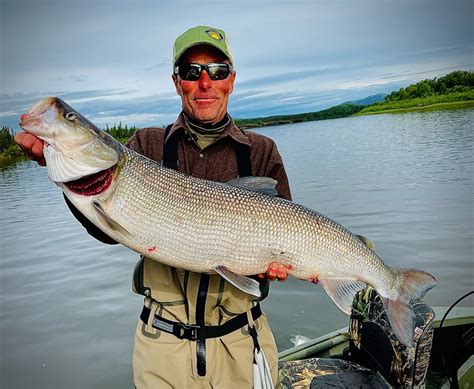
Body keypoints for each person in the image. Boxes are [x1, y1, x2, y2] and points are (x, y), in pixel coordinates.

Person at [15, 26, 294, 388]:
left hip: (242, 342)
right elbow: (106, 231)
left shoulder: (261, 151)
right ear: (177, 82)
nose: (205, 82)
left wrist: (269, 268)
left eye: (218, 71)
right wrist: (60, 164)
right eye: (193, 72)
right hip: (162, 346)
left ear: (232, 80)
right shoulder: (144, 145)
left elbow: (287, 235)